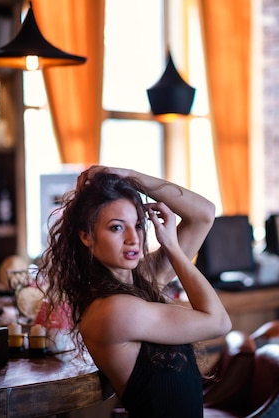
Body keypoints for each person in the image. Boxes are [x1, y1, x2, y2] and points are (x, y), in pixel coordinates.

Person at [39, 165, 231, 418]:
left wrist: (129, 177)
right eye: (117, 227)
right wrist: (172, 248)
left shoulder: (142, 280)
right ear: (86, 236)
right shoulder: (113, 310)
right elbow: (219, 323)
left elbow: (204, 214)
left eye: (138, 224)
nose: (133, 238)